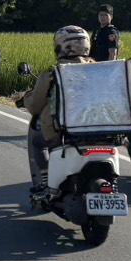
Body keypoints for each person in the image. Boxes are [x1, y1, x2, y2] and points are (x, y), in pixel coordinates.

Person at [17, 25, 94, 198]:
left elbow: (35, 105)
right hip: (99, 130)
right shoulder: (99, 69)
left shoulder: (54, 73)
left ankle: (45, 182)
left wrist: (26, 98)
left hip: (63, 131)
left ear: (61, 47)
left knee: (37, 142)